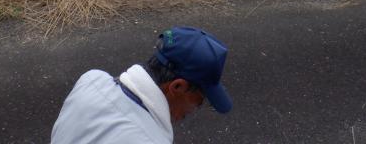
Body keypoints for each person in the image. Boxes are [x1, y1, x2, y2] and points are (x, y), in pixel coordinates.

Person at [51, 26, 232, 144]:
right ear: (178, 87)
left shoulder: (90, 80)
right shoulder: (150, 139)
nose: (194, 109)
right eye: (200, 100)